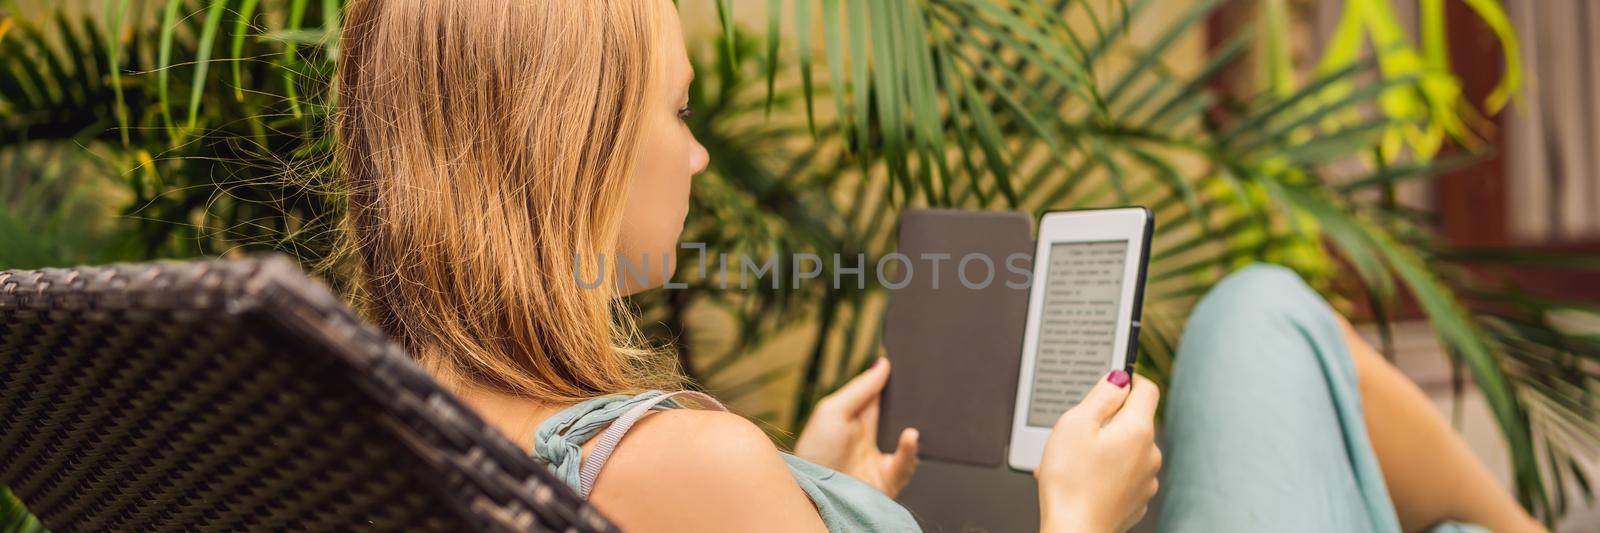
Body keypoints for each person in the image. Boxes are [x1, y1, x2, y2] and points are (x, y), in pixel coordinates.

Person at [332, 1, 1544, 531]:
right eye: (678, 110)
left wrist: (808, 481)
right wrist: (1076, 511)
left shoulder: (385, 427)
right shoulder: (683, 465)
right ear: (577, 155)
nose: (699, 154)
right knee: (1262, 314)